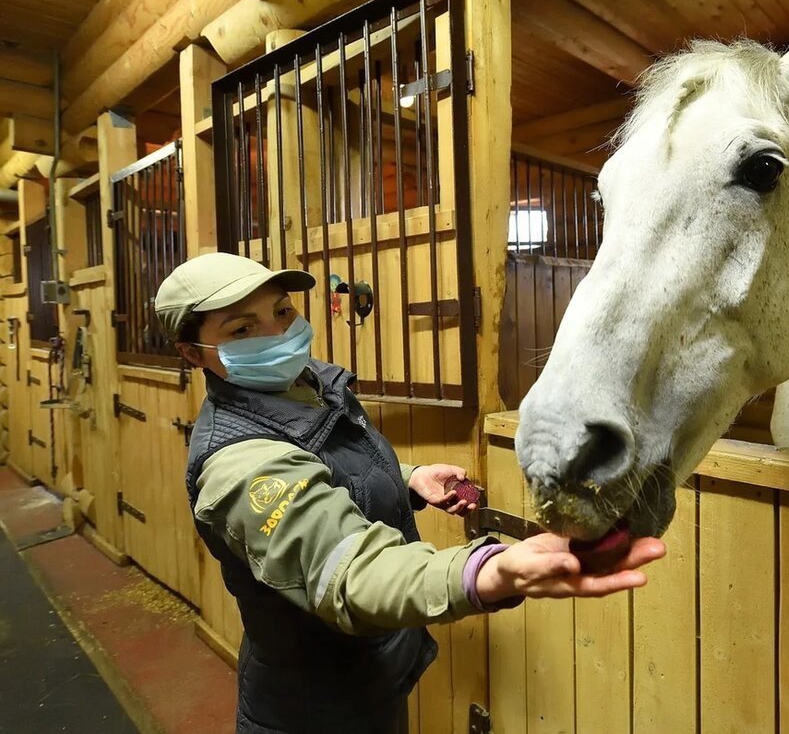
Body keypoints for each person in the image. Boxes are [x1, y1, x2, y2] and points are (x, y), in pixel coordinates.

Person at [154, 253, 665, 733]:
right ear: (191, 352)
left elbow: (323, 466)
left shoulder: (303, 386)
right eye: (243, 329)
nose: (278, 333)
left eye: (283, 311)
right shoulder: (240, 464)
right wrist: (485, 571)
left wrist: (408, 476)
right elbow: (349, 573)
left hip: (367, 677)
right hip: (312, 709)